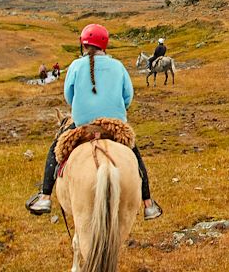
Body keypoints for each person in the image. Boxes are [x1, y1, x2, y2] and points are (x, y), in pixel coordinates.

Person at [26, 24, 163, 220]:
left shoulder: (75, 66)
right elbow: (128, 97)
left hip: (83, 125)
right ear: (104, 45)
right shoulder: (118, 66)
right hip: (114, 126)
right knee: (134, 155)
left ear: (84, 45)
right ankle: (148, 204)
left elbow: (68, 96)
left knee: (55, 149)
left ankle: (45, 196)